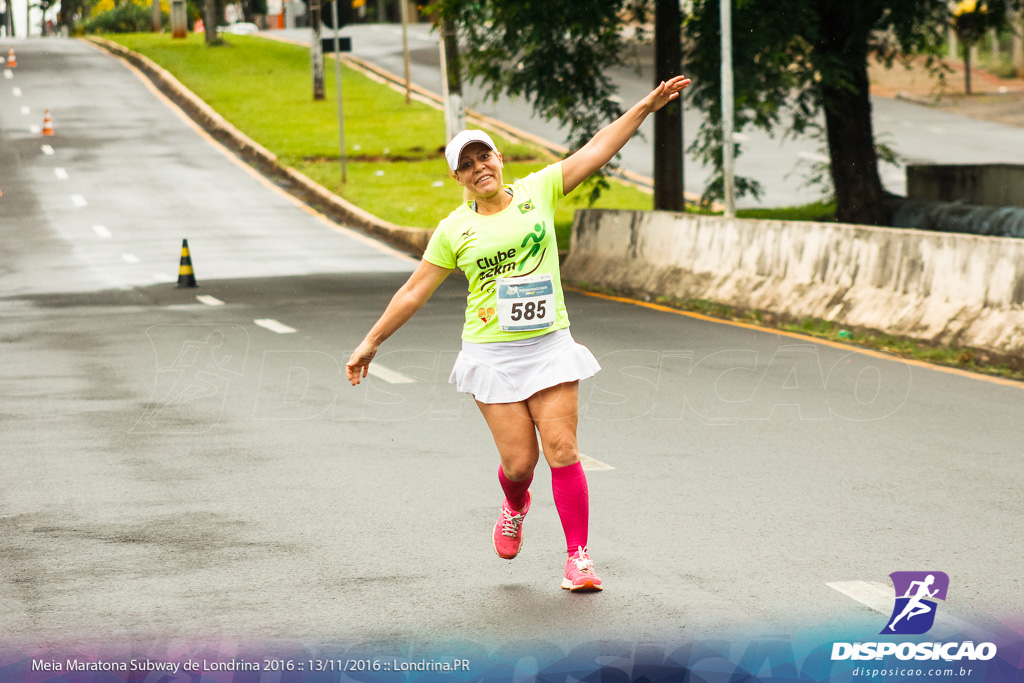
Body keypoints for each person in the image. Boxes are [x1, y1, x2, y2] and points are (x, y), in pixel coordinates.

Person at [345, 74, 691, 592]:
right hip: (491, 355)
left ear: (499, 158)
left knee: (563, 450)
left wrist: (645, 105)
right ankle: (514, 503)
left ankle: (578, 558)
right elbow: (414, 291)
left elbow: (597, 149)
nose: (478, 168)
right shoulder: (454, 230)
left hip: (549, 345)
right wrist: (371, 341)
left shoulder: (540, 190)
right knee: (521, 462)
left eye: (483, 157)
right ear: (458, 178)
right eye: (466, 165)